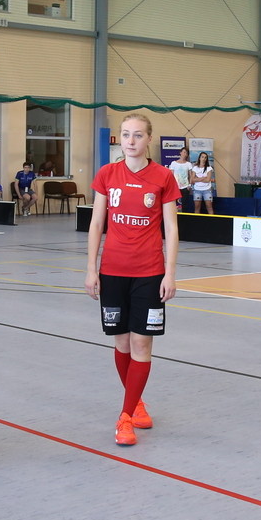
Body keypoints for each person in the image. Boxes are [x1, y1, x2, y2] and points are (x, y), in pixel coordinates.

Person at [85, 114, 180, 445]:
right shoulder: (107, 174)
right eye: (126, 134)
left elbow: (171, 228)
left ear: (149, 139)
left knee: (142, 343)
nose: (131, 141)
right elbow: (97, 224)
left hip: (149, 273)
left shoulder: (163, 177)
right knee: (122, 342)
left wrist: (170, 273)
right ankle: (135, 402)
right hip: (113, 272)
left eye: (138, 135)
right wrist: (91, 268)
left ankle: (124, 417)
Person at [169, 147, 194, 213]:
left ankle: (184, 216)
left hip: (185, 187)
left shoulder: (188, 164)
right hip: (176, 186)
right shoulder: (174, 163)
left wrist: (189, 185)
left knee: (185, 204)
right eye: (184, 152)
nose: (185, 154)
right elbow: (171, 175)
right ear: (180, 153)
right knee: (174, 204)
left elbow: (190, 175)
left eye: (186, 153)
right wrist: (172, 185)